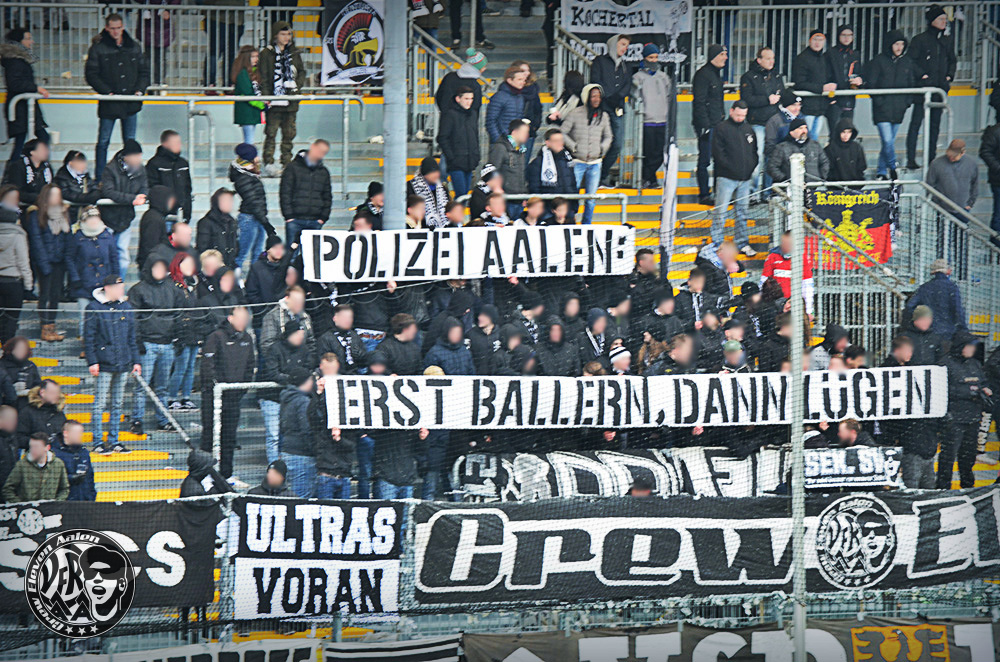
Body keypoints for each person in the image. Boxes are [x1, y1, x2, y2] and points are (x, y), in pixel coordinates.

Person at [85, 14, 150, 180]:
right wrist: (106, 92)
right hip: (110, 102)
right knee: (103, 142)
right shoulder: (98, 48)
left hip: (130, 102)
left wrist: (139, 90)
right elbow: (91, 74)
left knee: (129, 143)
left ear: (123, 27)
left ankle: (129, 177)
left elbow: (144, 72)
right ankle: (100, 178)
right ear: (107, 28)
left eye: (118, 28)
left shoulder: (134, 46)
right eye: (112, 28)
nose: (116, 32)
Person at [84, 275, 139, 454]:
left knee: (117, 403)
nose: (122, 290)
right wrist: (92, 361)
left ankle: (114, 440)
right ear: (108, 288)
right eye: (119, 287)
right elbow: (89, 338)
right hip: (104, 363)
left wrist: (136, 360)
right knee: (100, 404)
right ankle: (98, 441)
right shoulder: (94, 308)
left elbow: (132, 338)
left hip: (123, 363)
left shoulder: (126, 307)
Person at [200, 306, 254, 479]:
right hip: (213, 398)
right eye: (240, 318)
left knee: (229, 437)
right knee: (209, 435)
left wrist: (241, 389)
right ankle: (204, 475)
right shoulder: (216, 337)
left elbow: (250, 365)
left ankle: (226, 475)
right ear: (230, 318)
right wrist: (214, 387)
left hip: (234, 397)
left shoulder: (247, 338)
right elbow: (207, 366)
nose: (243, 322)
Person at [128, 258, 179, 434]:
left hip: (167, 344)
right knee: (141, 387)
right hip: (147, 344)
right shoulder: (138, 290)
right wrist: (138, 342)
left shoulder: (172, 288)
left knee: (162, 387)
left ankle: (163, 420)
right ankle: (136, 420)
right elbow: (133, 318)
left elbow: (179, 313)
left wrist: (177, 337)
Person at [906, 5, 956, 169]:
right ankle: (911, 158)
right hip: (923, 89)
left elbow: (952, 60)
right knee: (916, 124)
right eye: (941, 19)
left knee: (934, 126)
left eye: (945, 19)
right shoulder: (920, 40)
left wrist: (949, 76)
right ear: (932, 20)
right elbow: (910, 61)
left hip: (939, 90)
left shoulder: (946, 40)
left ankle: (931, 158)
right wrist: (922, 75)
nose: (944, 22)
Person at [939, 332, 990, 489]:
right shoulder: (945, 364)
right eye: (969, 346)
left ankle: (968, 486)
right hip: (954, 418)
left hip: (973, 417)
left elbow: (983, 383)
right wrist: (969, 392)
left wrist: (984, 390)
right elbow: (942, 389)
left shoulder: (974, 364)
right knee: (948, 457)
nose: (971, 350)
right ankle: (943, 488)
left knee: (968, 457)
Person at [259, 317, 314, 463]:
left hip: (294, 398)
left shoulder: (304, 350)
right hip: (272, 397)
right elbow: (272, 373)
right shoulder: (275, 349)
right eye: (298, 335)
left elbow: (308, 369)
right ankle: (274, 468)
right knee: (274, 436)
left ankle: (286, 466)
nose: (301, 338)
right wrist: (294, 379)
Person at [710, 101, 758, 256]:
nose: (740, 118)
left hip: (745, 179)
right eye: (738, 115)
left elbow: (754, 152)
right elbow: (718, 153)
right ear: (731, 111)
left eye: (743, 115)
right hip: (726, 178)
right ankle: (717, 243)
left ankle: (742, 242)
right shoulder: (721, 128)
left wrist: (751, 167)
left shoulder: (748, 129)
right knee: (721, 212)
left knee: (742, 212)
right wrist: (731, 168)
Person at [259, 21, 305, 173]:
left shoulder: (295, 53)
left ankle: (286, 162)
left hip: (291, 101)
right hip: (274, 101)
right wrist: (266, 97)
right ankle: (268, 162)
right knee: (271, 133)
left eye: (289, 34)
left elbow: (301, 71)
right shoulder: (266, 53)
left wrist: (297, 86)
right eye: (283, 34)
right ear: (275, 35)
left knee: (289, 134)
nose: (286, 37)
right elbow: (263, 76)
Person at [562, 84, 612, 225]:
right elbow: (563, 132)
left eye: (599, 96)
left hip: (595, 163)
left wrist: (601, 149)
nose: (597, 99)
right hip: (577, 161)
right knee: (572, 196)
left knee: (591, 199)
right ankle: (570, 223)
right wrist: (574, 147)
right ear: (587, 97)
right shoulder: (575, 113)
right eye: (593, 96)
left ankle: (586, 225)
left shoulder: (604, 116)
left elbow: (608, 136)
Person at [25, 184, 69, 342]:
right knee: (46, 294)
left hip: (59, 261)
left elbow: (66, 237)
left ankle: (52, 326)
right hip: (45, 261)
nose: (57, 198)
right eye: (53, 195)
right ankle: (45, 327)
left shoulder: (63, 213)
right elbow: (36, 241)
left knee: (56, 295)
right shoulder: (36, 214)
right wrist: (44, 263)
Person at [867, 31, 914, 178]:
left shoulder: (907, 62)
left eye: (902, 44)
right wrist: (880, 102)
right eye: (896, 44)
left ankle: (881, 171)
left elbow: (911, 84)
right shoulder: (878, 61)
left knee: (888, 143)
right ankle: (893, 167)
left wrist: (906, 103)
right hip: (882, 111)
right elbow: (871, 84)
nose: (899, 47)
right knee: (887, 141)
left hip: (898, 110)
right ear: (889, 45)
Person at [66, 207, 118, 339]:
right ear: (84, 220)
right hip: (82, 283)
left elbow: (114, 259)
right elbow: (69, 258)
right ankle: (85, 342)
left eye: (96, 218)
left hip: (103, 284)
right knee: (85, 317)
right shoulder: (77, 237)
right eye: (90, 218)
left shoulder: (107, 236)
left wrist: (115, 280)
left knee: (104, 318)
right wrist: (75, 278)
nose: (94, 221)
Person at [100, 139, 148, 276]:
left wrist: (142, 196)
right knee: (106, 255)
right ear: (127, 157)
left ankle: (119, 282)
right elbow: (108, 191)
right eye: (136, 156)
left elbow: (145, 186)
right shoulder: (110, 169)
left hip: (126, 218)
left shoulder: (141, 170)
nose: (139, 159)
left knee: (123, 257)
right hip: (108, 218)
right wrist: (132, 199)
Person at [740, 47, 784, 196]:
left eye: (773, 58)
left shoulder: (776, 76)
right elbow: (747, 99)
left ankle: (767, 192)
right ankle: (752, 193)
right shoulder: (748, 77)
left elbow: (782, 94)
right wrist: (767, 100)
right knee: (756, 158)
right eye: (768, 58)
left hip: (773, 124)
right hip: (756, 123)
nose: (772, 61)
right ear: (759, 60)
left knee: (771, 159)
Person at [589, 34, 632, 187]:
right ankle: (594, 177)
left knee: (617, 144)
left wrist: (618, 97)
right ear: (614, 44)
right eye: (622, 44)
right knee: (597, 144)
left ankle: (602, 175)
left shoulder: (626, 65)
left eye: (627, 45)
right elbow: (596, 81)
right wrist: (607, 96)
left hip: (617, 108)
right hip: (601, 108)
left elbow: (627, 84)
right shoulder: (600, 61)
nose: (625, 48)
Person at [1, 28, 49, 161]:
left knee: (26, 142)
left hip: (24, 107)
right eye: (28, 38)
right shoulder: (15, 61)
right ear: (19, 41)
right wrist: (36, 88)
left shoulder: (17, 60)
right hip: (21, 108)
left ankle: (22, 170)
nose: (31, 42)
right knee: (31, 141)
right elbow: (15, 84)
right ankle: (17, 171)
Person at [230, 143, 274, 275]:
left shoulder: (249, 173)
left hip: (258, 217)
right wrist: (265, 222)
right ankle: (234, 282)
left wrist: (263, 220)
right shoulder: (243, 177)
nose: (258, 158)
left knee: (258, 254)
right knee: (242, 254)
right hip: (249, 218)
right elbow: (253, 201)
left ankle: (255, 281)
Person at [632, 44, 671, 189]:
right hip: (646, 121)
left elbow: (669, 97)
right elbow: (634, 99)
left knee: (660, 153)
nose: (654, 60)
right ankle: (650, 179)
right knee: (647, 153)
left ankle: (646, 176)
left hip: (663, 120)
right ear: (644, 58)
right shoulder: (637, 77)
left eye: (656, 57)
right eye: (651, 57)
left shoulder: (664, 77)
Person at [692, 44, 727, 204]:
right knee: (705, 160)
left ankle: (718, 193)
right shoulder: (703, 75)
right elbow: (699, 102)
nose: (725, 58)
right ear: (714, 56)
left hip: (718, 124)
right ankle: (704, 194)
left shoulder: (716, 74)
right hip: (707, 125)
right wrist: (704, 125)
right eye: (722, 54)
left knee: (719, 160)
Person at [279, 139, 332, 248]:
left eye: (324, 152)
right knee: (292, 253)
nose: (320, 154)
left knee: (311, 254)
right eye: (319, 150)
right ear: (312, 147)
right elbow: (285, 192)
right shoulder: (292, 168)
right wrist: (289, 216)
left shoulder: (323, 171)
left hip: (315, 220)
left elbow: (327, 196)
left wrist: (323, 217)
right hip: (295, 219)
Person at [166, 253, 200, 411]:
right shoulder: (173, 285)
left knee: (190, 367)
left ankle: (186, 397)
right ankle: (172, 397)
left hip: (193, 331)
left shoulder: (191, 284)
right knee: (181, 366)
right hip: (181, 332)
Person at [0, 188, 31, 345]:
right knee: (11, 319)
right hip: (13, 282)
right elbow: (23, 262)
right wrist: (28, 286)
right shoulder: (18, 235)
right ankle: (7, 348)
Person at [905, 260, 966, 339]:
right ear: (948, 271)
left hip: (928, 331)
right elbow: (958, 310)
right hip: (948, 331)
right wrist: (963, 328)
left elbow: (910, 306)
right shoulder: (952, 287)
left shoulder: (924, 287)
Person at [792, 29, 834, 142]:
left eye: (820, 40)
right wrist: (821, 88)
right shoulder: (802, 58)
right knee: (805, 138)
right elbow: (799, 83)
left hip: (821, 108)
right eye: (815, 39)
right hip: (807, 108)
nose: (817, 43)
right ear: (809, 41)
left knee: (814, 139)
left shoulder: (824, 59)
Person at [760, 231, 815, 316]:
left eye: (789, 244)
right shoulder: (772, 256)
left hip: (794, 304)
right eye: (784, 243)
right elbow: (763, 282)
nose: (786, 246)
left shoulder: (802, 258)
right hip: (775, 304)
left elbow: (807, 285)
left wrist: (808, 310)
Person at [438, 86, 480, 197]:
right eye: (466, 98)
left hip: (469, 161)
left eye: (471, 99)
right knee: (461, 194)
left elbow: (475, 136)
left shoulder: (473, 114)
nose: (469, 102)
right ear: (458, 99)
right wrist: (451, 157)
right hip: (456, 162)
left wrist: (476, 155)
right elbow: (442, 138)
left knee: (465, 194)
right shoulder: (450, 115)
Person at [2, 432, 68, 502]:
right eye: (31, 446)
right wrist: (20, 504)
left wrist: (57, 503)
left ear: (47, 448)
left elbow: (64, 489)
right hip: (28, 507)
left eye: (36, 447)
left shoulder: (58, 464)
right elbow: (7, 489)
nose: (32, 450)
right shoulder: (22, 465)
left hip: (51, 507)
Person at [145, 130, 192, 221]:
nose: (179, 145)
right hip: (162, 216)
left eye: (179, 142)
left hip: (182, 215)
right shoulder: (154, 164)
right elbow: (152, 189)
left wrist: (187, 212)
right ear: (165, 144)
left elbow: (187, 189)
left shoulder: (183, 163)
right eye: (176, 142)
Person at [245, 235, 291, 329]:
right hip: (262, 320)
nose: (279, 251)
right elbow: (251, 293)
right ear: (268, 250)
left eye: (281, 248)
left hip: (285, 318)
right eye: (275, 248)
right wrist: (263, 311)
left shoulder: (287, 266)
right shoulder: (257, 267)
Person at [488, 120, 530, 221]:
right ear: (514, 132)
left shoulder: (521, 150)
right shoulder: (500, 148)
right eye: (524, 132)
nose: (527, 135)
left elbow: (521, 175)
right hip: (505, 199)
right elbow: (491, 171)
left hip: (518, 199)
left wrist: (524, 194)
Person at [767, 118, 830, 184]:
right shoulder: (781, 147)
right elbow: (772, 167)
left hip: (814, 186)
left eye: (805, 128)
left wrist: (820, 178)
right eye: (800, 128)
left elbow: (825, 163)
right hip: (789, 188)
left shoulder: (816, 145)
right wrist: (785, 179)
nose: (804, 131)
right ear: (791, 132)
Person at [260, 285, 315, 357]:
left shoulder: (306, 317)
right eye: (295, 300)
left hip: (303, 361)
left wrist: (309, 360)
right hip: (280, 361)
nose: (298, 304)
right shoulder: (272, 316)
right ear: (287, 299)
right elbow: (267, 345)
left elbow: (311, 342)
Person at [825, 25, 863, 131]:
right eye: (844, 35)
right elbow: (826, 76)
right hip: (835, 100)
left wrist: (860, 80)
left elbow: (859, 73)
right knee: (835, 133)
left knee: (847, 132)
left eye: (850, 35)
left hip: (850, 100)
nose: (847, 38)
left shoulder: (855, 54)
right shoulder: (830, 53)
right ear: (838, 36)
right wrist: (830, 99)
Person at [926, 139, 978, 212]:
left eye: (954, 156)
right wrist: (936, 202)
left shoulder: (971, 164)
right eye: (950, 155)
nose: (951, 158)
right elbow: (930, 184)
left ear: (963, 153)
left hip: (963, 207)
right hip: (942, 208)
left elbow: (975, 184)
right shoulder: (936, 163)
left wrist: (970, 203)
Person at [435, 48, 487, 121]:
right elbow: (475, 108)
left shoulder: (449, 77)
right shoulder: (475, 85)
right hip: (465, 124)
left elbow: (439, 96)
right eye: (483, 66)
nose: (485, 69)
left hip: (446, 120)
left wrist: (445, 113)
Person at [316, 304, 368, 375]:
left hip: (355, 374)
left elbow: (364, 362)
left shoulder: (354, 336)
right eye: (344, 317)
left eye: (350, 317)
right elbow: (323, 363)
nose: (348, 320)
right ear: (335, 318)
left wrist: (360, 355)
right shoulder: (325, 338)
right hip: (334, 375)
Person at [2, 138, 52, 208]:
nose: (46, 152)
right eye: (42, 149)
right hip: (22, 205)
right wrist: (38, 198)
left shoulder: (46, 167)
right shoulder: (18, 166)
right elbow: (16, 190)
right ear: (32, 152)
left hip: (43, 204)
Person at [196, 188, 239, 269]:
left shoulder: (232, 221)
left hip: (229, 267)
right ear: (217, 202)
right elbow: (202, 250)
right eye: (225, 201)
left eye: (231, 201)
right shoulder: (206, 222)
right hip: (212, 269)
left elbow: (235, 246)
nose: (229, 204)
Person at [52, 420, 95, 501]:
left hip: (85, 501)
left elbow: (90, 478)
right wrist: (71, 478)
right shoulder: (54, 453)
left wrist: (91, 497)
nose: (80, 436)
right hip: (65, 502)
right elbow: (52, 479)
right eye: (77, 433)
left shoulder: (84, 452)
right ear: (66, 433)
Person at [485, 66, 528, 145]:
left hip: (516, 142)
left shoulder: (520, 97)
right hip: (501, 142)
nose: (523, 82)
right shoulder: (499, 97)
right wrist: (498, 140)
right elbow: (491, 121)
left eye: (524, 80)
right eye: (519, 79)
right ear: (509, 80)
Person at [136, 185, 176, 270]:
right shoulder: (154, 219)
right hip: (152, 267)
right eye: (169, 200)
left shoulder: (155, 216)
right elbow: (151, 246)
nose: (172, 203)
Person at [54, 151, 101, 222]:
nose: (84, 166)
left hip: (86, 216)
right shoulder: (61, 178)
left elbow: (94, 187)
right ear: (71, 163)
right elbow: (66, 194)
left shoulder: (85, 176)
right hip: (68, 216)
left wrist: (95, 194)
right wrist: (87, 198)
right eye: (80, 163)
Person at [231, 45, 265, 144]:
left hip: (252, 112)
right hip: (246, 112)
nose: (256, 59)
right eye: (253, 57)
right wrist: (262, 105)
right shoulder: (243, 74)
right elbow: (248, 94)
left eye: (257, 56)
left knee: (250, 139)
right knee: (249, 140)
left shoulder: (252, 72)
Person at [407, 157, 451, 229]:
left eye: (437, 172)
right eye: (433, 172)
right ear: (425, 174)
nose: (436, 175)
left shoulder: (442, 188)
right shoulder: (411, 187)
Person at [764, 90, 802, 169]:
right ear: (785, 106)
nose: (797, 108)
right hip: (778, 161)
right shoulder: (774, 121)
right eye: (793, 105)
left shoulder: (802, 119)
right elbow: (770, 145)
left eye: (799, 105)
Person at [0, 337, 40, 409]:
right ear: (11, 349)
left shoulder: (30, 365)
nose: (21, 351)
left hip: (27, 405)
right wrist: (11, 388)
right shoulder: (2, 364)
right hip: (5, 405)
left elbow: (38, 385)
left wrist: (30, 392)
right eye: (18, 349)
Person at [825, 118, 867, 184]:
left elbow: (861, 166)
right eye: (843, 132)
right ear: (838, 132)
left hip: (855, 185)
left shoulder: (857, 147)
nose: (846, 135)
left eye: (849, 132)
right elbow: (828, 168)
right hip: (835, 186)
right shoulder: (830, 148)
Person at [981, 112, 1000, 242]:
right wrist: (998, 168)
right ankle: (995, 245)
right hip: (998, 181)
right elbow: (985, 152)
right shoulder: (995, 132)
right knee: (998, 215)